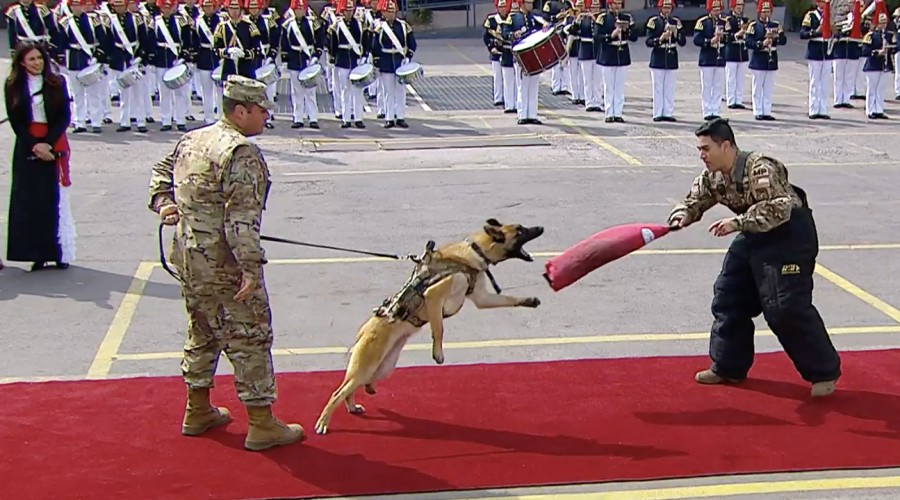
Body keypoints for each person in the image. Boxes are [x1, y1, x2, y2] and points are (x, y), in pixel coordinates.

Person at [147, 75, 303, 451]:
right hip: (224, 264)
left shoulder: (194, 138)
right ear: (240, 111)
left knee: (202, 330)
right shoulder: (241, 153)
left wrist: (165, 204)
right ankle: (262, 424)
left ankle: (196, 409)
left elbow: (159, 175)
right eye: (261, 110)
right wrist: (251, 268)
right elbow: (241, 221)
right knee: (250, 336)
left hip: (188, 257)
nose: (267, 115)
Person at [666, 118, 842, 398]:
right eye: (699, 149)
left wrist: (736, 223)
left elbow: (779, 208)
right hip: (753, 232)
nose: (702, 155)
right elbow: (696, 200)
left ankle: (823, 372)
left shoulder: (760, 168)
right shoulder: (713, 176)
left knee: (784, 306)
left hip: (788, 235)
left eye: (706, 149)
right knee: (728, 296)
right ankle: (728, 366)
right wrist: (682, 215)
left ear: (726, 146)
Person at [4, 41, 77, 271]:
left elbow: (64, 117)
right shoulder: (13, 85)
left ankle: (58, 252)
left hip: (53, 141)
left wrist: (47, 144)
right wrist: (35, 146)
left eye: (40, 58)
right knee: (29, 200)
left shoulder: (57, 82)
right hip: (27, 145)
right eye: (32, 59)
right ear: (22, 63)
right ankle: (36, 253)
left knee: (54, 198)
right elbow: (16, 121)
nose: (37, 63)